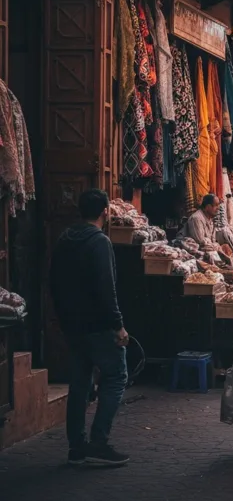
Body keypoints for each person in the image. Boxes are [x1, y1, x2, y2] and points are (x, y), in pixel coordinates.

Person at [50, 189, 130, 466]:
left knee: (80, 383)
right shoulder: (99, 242)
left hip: (73, 326)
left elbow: (53, 281)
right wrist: (118, 325)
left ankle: (77, 447)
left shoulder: (64, 239)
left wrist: (62, 318)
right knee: (116, 376)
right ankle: (98, 442)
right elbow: (106, 289)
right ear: (105, 211)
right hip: (98, 325)